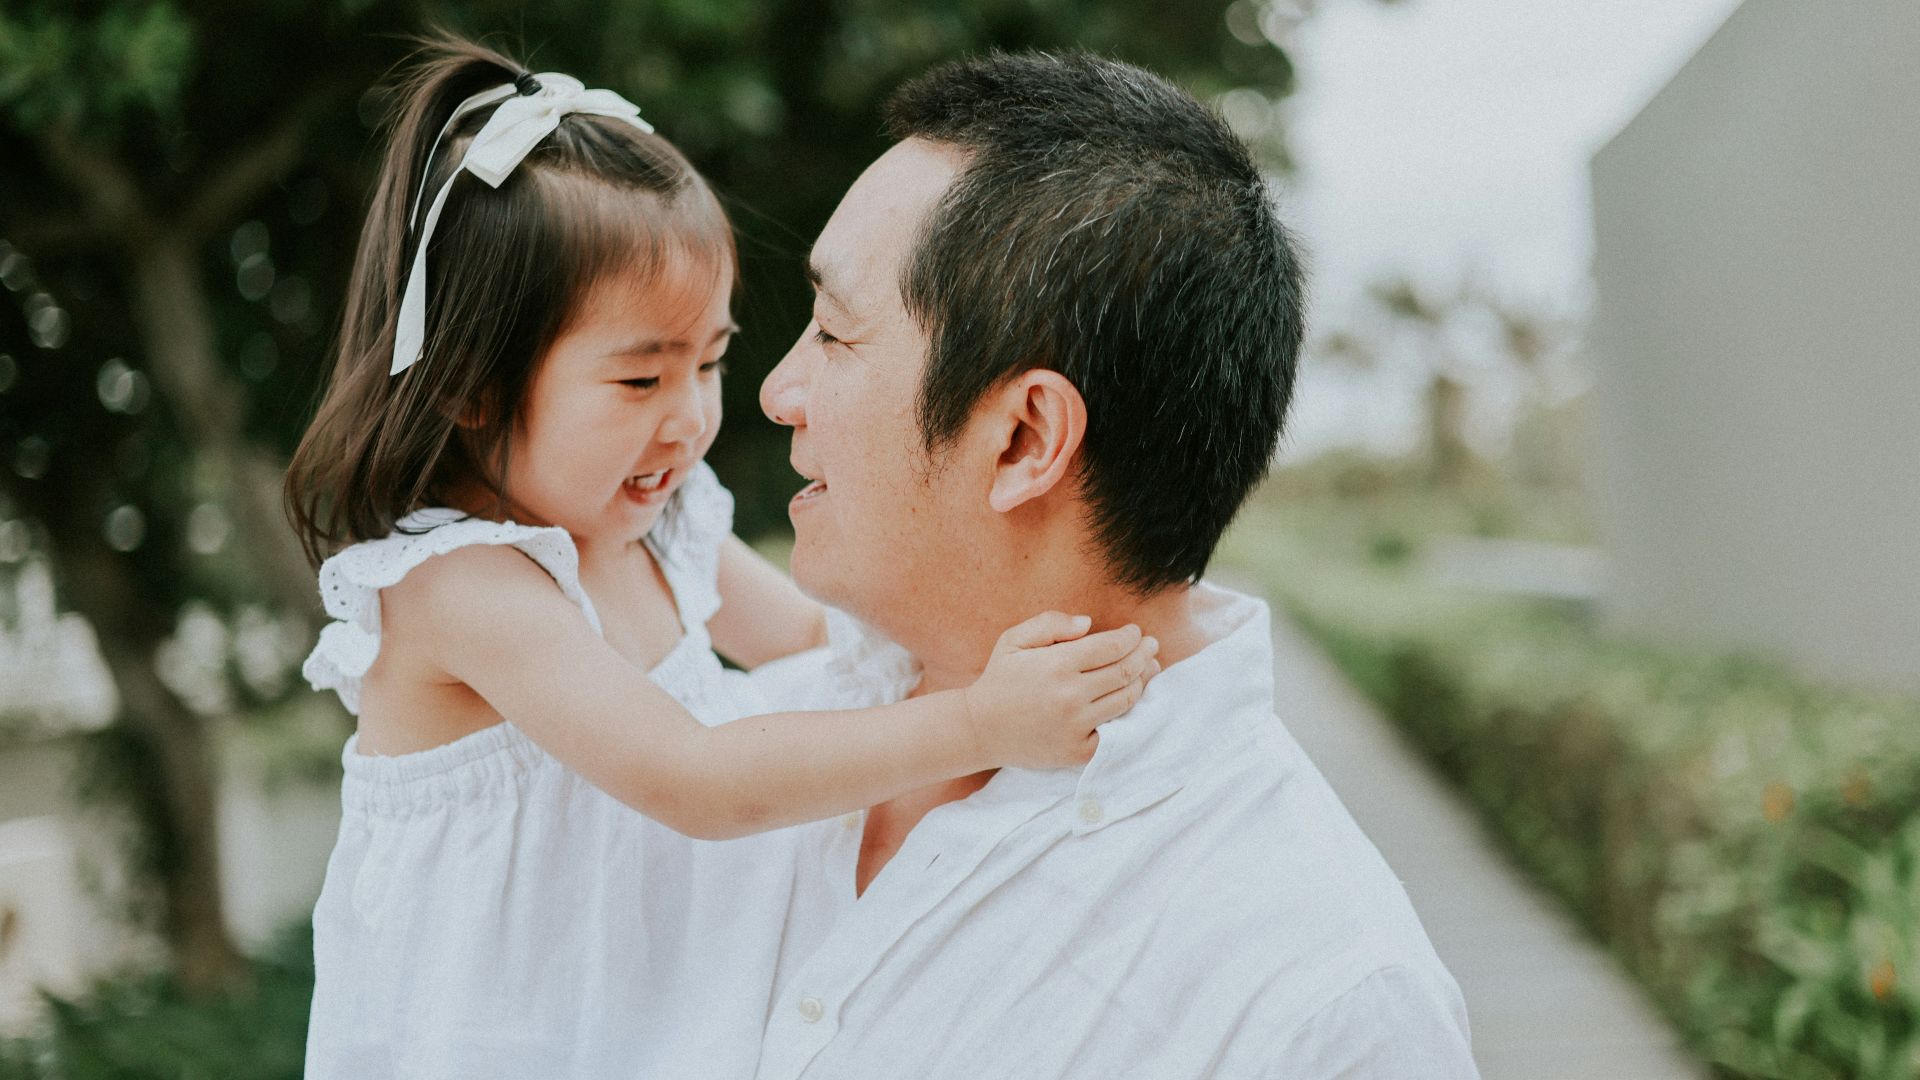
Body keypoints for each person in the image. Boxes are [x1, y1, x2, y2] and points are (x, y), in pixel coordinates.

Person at [282, 37, 1159, 1079]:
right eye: (639, 382)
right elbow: (692, 780)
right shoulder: (460, 588)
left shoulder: (665, 524)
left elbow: (827, 647)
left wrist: (1003, 626)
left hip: (648, 1018)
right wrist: (979, 721)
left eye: (709, 361)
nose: (693, 418)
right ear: (473, 386)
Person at [749, 51, 1480, 1078]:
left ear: (1023, 439)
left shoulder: (1317, 1005)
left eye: (832, 331)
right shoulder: (709, 732)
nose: (780, 391)